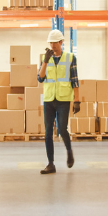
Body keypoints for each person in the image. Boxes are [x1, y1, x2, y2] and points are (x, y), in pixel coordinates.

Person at [37, 29, 80, 174]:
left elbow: (75, 80)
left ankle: (69, 151)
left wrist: (77, 100)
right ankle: (50, 163)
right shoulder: (45, 57)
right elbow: (40, 78)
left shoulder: (70, 57)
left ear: (61, 42)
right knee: (48, 132)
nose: (53, 45)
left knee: (62, 129)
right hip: (49, 99)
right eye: (51, 43)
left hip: (63, 99)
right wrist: (45, 61)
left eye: (55, 43)